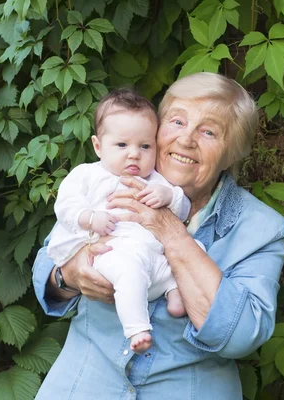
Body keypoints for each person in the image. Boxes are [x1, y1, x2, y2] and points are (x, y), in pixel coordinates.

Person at [33, 72, 284, 399]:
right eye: (177, 121)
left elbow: (240, 336)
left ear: (232, 153)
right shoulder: (109, 181)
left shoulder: (260, 228)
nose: (186, 140)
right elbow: (46, 276)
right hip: (83, 383)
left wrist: (170, 230)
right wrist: (68, 274)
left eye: (209, 131)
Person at [46, 88, 193, 353]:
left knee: (193, 254)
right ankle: (137, 329)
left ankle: (175, 294)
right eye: (122, 145)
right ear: (98, 146)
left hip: (154, 258)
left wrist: (167, 195)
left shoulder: (154, 180)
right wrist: (89, 218)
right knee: (128, 272)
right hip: (112, 253)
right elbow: (65, 205)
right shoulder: (87, 175)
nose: (134, 154)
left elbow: (183, 209)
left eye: (145, 146)